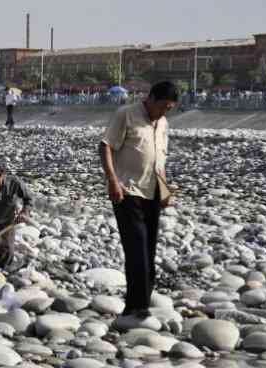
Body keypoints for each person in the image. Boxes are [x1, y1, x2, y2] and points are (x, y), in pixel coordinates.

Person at [99, 81, 178, 318]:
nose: (164, 112)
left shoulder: (163, 123)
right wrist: (112, 180)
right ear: (151, 98)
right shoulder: (126, 114)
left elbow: (159, 162)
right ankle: (136, 307)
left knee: (149, 249)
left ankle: (141, 303)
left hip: (152, 193)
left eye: (169, 108)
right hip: (127, 191)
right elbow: (106, 147)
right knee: (137, 250)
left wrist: (165, 191)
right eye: (162, 106)